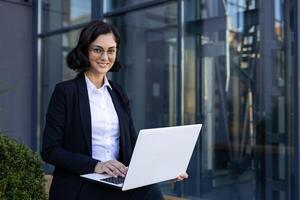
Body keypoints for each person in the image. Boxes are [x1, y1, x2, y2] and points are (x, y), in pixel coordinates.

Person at [41, 20, 188, 200]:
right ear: (85, 50)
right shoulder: (65, 92)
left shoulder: (118, 93)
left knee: (152, 192)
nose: (105, 57)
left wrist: (164, 170)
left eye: (111, 50)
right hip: (81, 182)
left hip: (116, 180)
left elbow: (133, 144)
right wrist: (96, 165)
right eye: (97, 49)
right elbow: (50, 150)